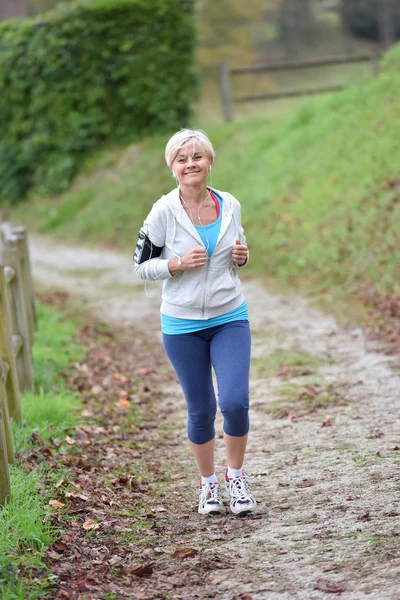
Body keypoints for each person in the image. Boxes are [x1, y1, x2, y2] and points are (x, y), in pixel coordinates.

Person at [134, 129, 256, 516]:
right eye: (182, 159)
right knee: (200, 409)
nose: (191, 164)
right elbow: (140, 267)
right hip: (182, 324)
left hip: (229, 316)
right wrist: (176, 264)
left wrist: (242, 255)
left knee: (235, 402)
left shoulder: (230, 203)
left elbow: (239, 250)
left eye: (197, 157)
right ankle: (208, 487)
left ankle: (235, 479)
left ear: (210, 161)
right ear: (172, 168)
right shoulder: (162, 212)